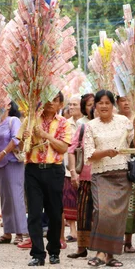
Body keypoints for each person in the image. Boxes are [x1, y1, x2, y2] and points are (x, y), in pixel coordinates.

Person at [20, 92, 71, 267]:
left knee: (55, 213)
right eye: (48, 99)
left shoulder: (63, 122)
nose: (51, 103)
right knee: (34, 213)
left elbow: (63, 148)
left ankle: (54, 250)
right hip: (33, 169)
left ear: (60, 104)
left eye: (55, 100)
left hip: (54, 171)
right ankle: (37, 254)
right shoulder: (31, 119)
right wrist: (25, 139)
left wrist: (45, 135)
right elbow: (20, 146)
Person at [83, 90, 133, 268]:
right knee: (102, 212)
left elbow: (134, 144)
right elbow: (89, 154)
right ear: (95, 105)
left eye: (107, 103)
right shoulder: (90, 126)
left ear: (113, 105)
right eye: (100, 103)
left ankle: (111, 255)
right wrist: (106, 153)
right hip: (101, 174)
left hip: (122, 174)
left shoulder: (124, 122)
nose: (104, 106)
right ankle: (100, 252)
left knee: (117, 216)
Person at [0, 101, 28, 245]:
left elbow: (16, 139)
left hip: (13, 162)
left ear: (8, 106)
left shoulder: (13, 120)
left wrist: (4, 152)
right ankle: (7, 232)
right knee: (5, 198)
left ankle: (20, 232)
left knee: (16, 196)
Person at [67, 102, 94, 258]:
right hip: (85, 177)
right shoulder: (83, 127)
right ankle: (81, 247)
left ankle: (100, 247)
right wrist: (73, 172)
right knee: (83, 212)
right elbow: (71, 150)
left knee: (100, 214)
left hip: (103, 177)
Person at [116, 95, 135, 253]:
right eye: (122, 100)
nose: (126, 103)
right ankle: (114, 240)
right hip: (115, 164)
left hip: (133, 166)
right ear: (117, 102)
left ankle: (128, 241)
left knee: (132, 205)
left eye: (129, 99)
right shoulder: (114, 119)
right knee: (115, 204)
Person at [62, 95, 81, 246]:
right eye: (70, 104)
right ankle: (72, 230)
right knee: (69, 198)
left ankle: (83, 230)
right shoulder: (65, 123)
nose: (71, 107)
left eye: (75, 104)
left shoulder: (87, 122)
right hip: (68, 166)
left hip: (85, 166)